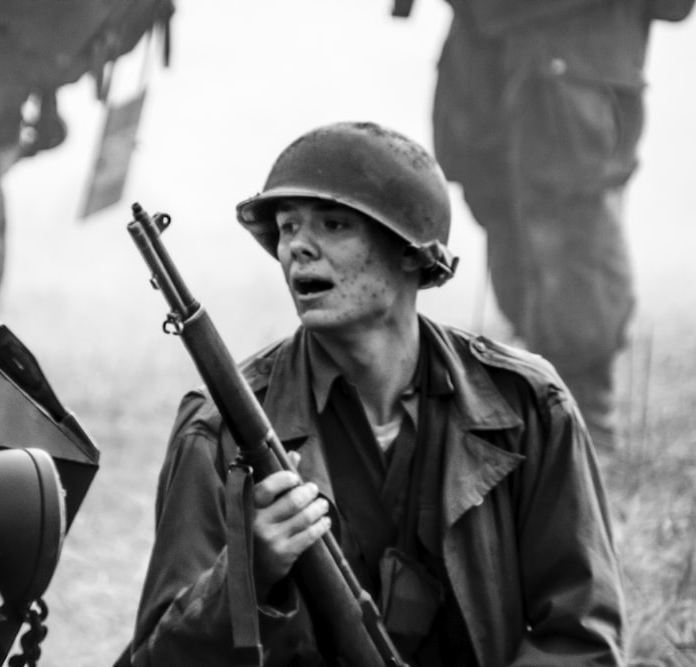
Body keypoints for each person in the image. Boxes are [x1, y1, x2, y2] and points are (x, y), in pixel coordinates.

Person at [116, 121, 626, 666]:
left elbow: (582, 637)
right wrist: (244, 575)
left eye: (334, 225)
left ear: (411, 253)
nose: (298, 250)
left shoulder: (528, 408)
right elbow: (156, 660)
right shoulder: (219, 433)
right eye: (288, 228)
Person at [428, 0, 696, 450]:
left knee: (570, 214)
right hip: (487, 28)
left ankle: (583, 423)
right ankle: (538, 396)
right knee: (495, 193)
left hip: (575, 38)